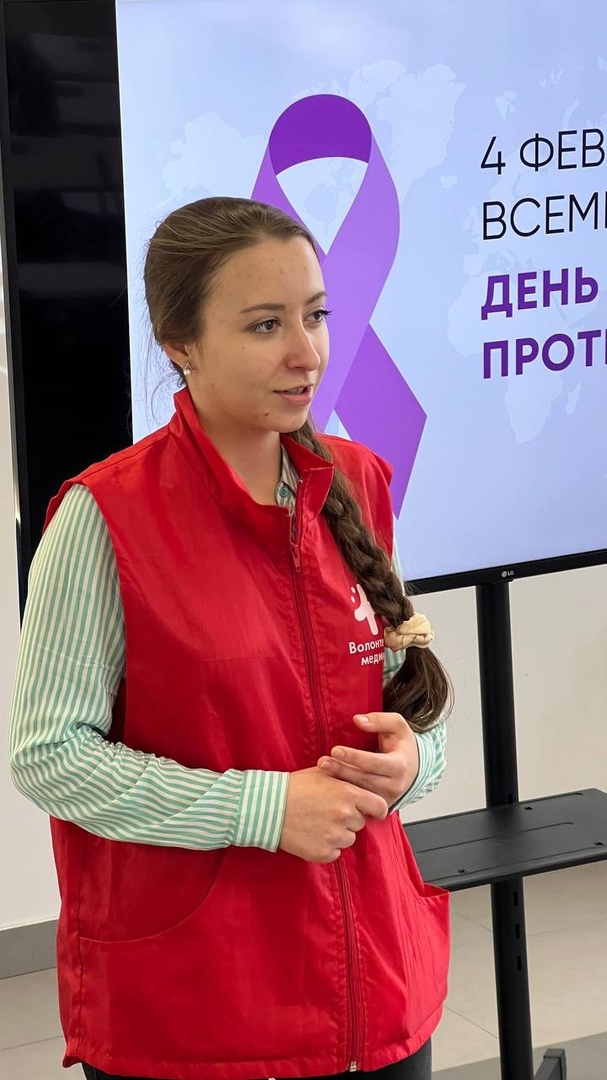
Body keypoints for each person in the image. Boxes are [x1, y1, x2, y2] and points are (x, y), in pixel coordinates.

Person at [9, 197, 452, 1080]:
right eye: (264, 325)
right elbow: (48, 755)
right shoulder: (105, 516)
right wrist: (264, 810)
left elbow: (407, 701)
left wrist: (415, 762)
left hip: (380, 992)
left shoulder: (359, 482)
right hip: (199, 1014)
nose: (307, 353)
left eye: (315, 315)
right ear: (179, 342)